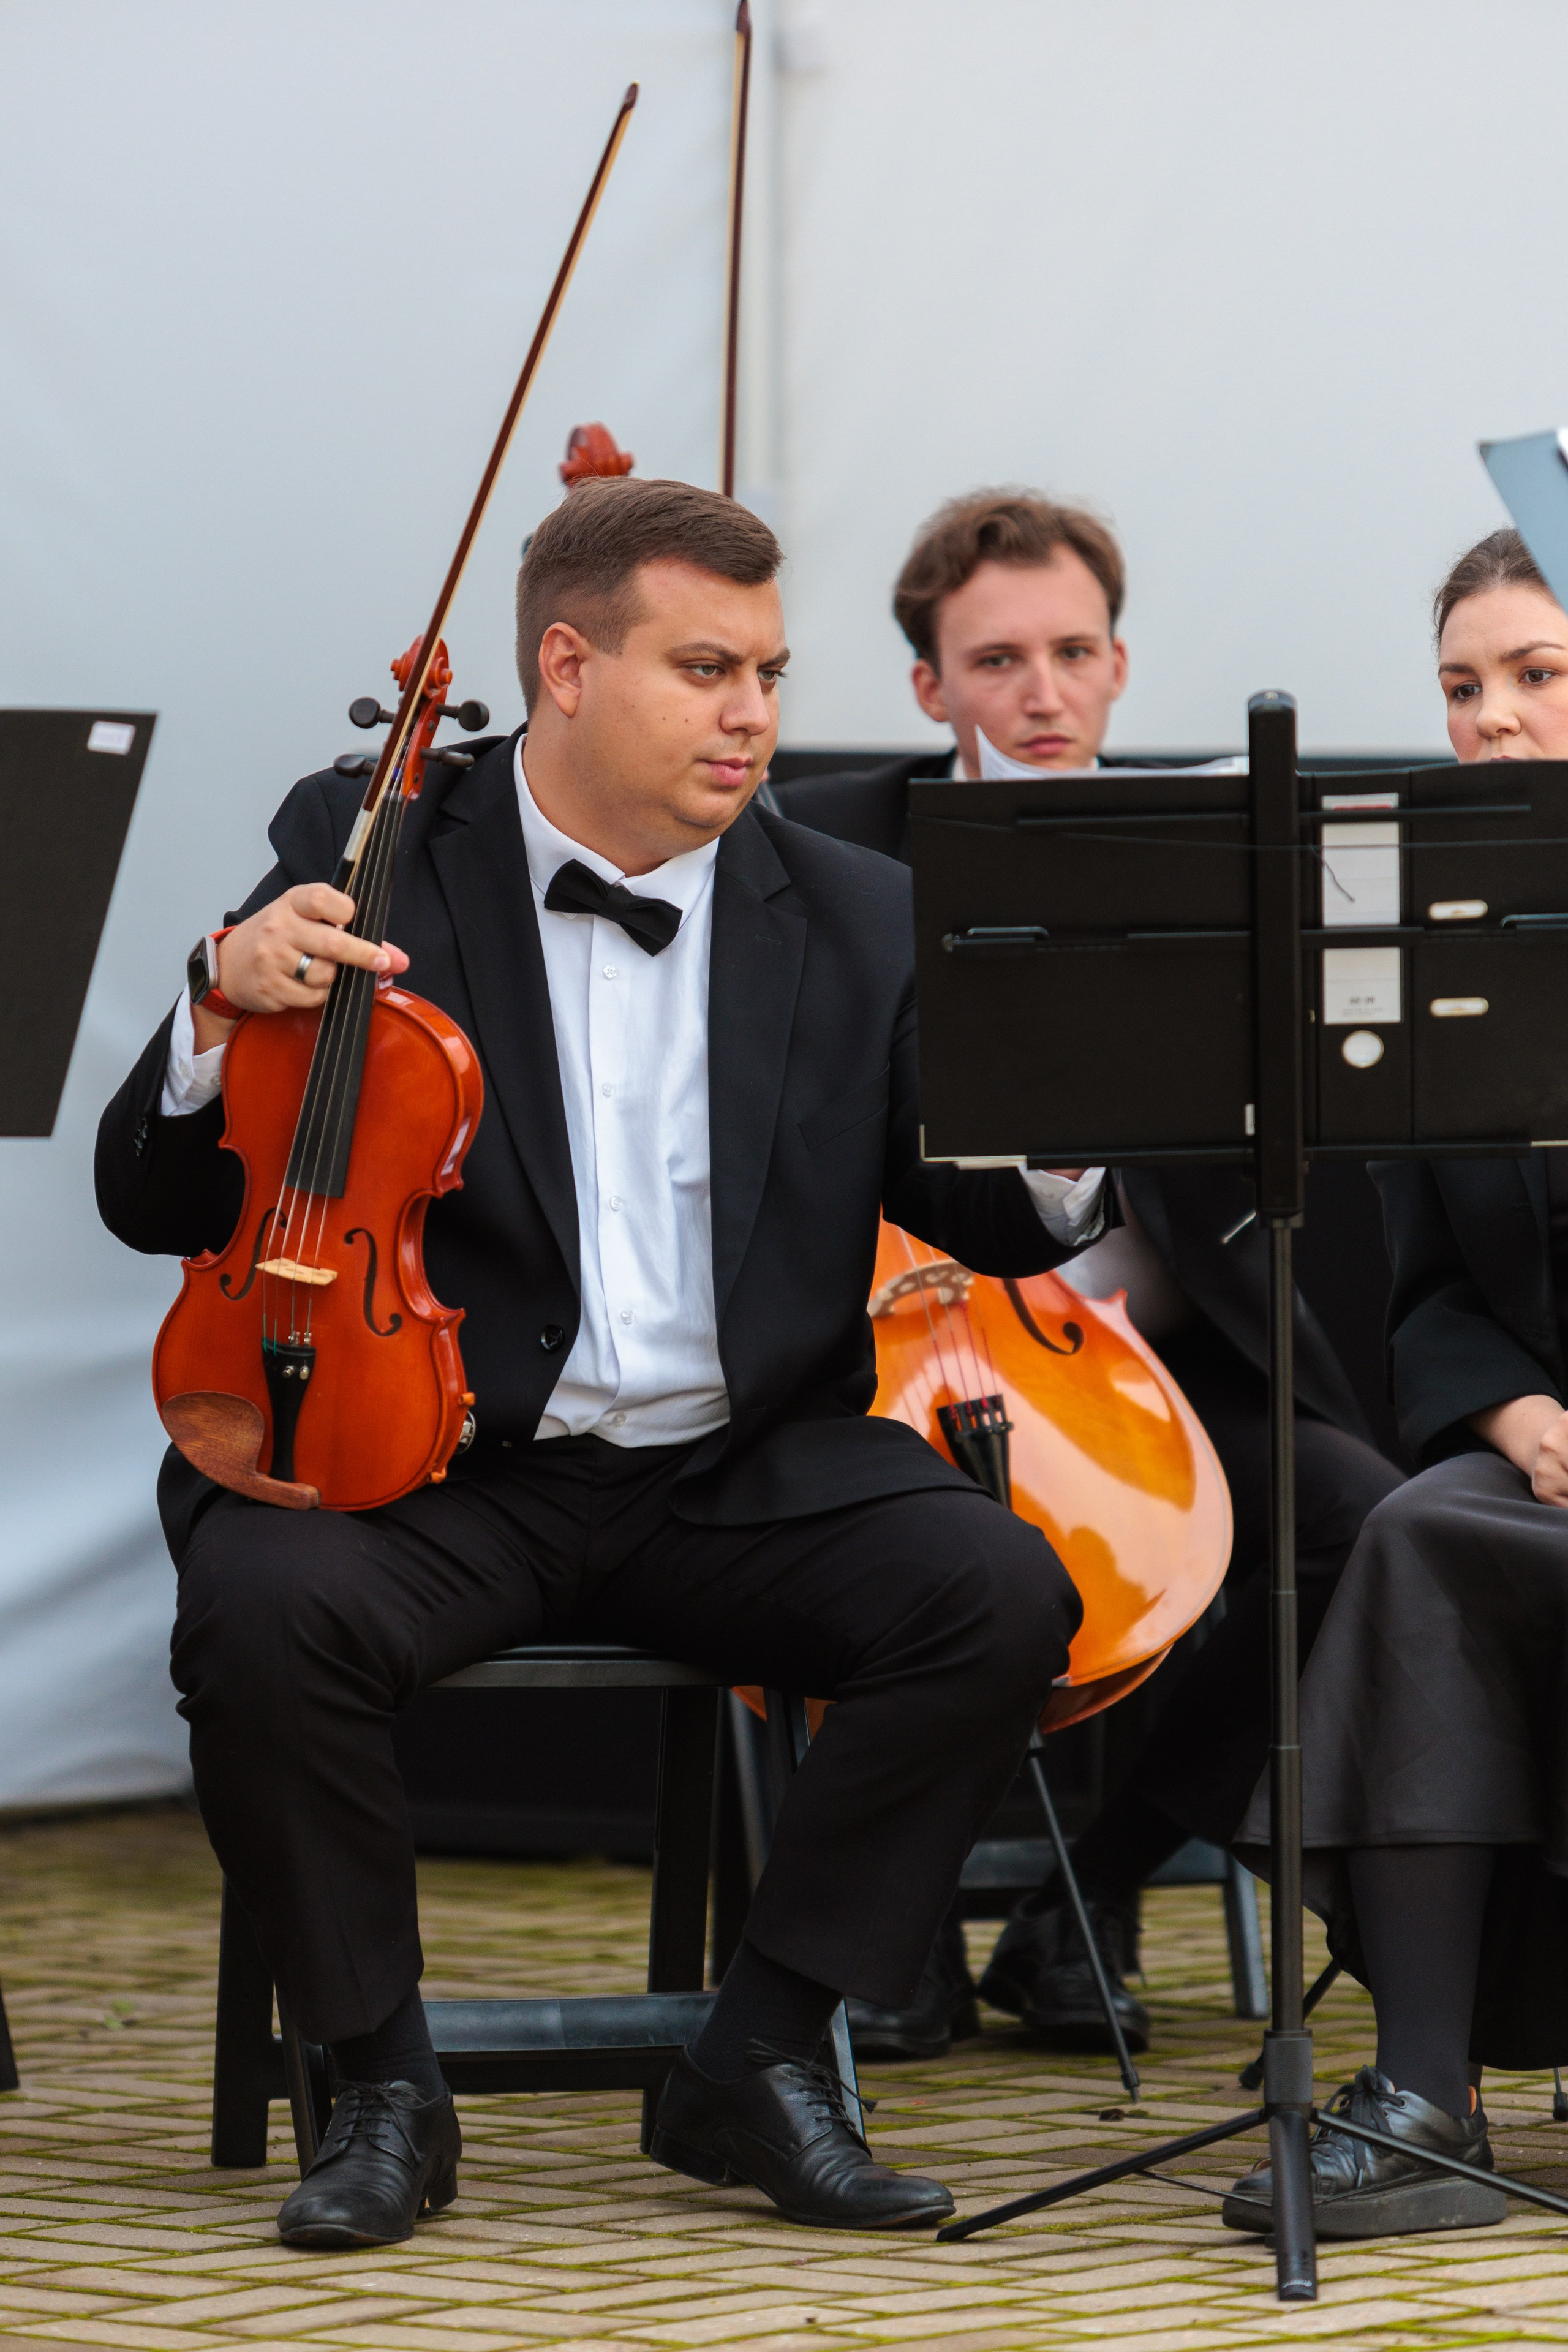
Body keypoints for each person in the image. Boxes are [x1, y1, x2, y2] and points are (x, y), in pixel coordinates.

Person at [96, 477, 1113, 2249]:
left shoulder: (859, 908)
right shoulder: (376, 840)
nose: (754, 716)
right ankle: (382, 2086)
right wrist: (213, 1003)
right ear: (566, 667)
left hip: (736, 1471)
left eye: (773, 674)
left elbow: (999, 1220)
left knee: (999, 1590)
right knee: (260, 1600)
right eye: (707, 668)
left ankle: (759, 2053)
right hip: (444, 1457)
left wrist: (1074, 1108)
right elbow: (151, 1192)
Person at [770, 489, 1404, 2061]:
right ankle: (893, 1919)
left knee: (1350, 1523)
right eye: (993, 661)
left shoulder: (1209, 849)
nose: (1038, 694)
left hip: (1159, 1345)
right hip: (921, 1339)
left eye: (1069, 653)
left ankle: (1089, 1896)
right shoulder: (817, 846)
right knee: (955, 1550)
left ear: (1119, 665)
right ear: (929, 687)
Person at [1227, 526, 1568, 2238]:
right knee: (1421, 1528)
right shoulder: (1411, 911)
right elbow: (1430, 1283)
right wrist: (1510, 1412)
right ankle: (1429, 2098)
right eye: (1462, 687)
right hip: (1547, 1457)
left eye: (1537, 677)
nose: (1491, 719)